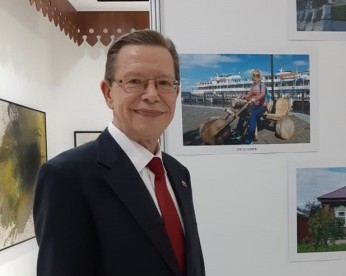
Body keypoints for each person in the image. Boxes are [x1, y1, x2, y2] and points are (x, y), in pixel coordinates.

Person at [33, 30, 205, 276]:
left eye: (164, 83)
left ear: (176, 94)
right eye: (134, 81)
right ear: (108, 93)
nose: (152, 95)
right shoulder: (66, 177)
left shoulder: (178, 174)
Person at [241, 69, 268, 144]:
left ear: (260, 77)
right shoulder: (252, 87)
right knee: (242, 113)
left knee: (253, 115)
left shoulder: (262, 85)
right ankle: (239, 131)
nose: (255, 77)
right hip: (255, 107)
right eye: (254, 75)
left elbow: (262, 94)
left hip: (262, 106)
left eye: (257, 75)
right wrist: (243, 96)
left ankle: (250, 137)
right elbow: (248, 95)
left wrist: (255, 98)